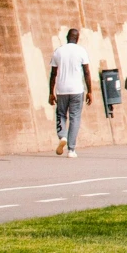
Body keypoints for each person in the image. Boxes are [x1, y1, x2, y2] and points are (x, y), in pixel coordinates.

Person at [46, 27, 91, 157]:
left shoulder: (58, 51)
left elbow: (53, 74)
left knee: (61, 114)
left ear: (67, 38)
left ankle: (62, 136)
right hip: (77, 89)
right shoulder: (81, 51)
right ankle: (71, 150)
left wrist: (51, 93)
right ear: (77, 39)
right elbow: (87, 72)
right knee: (75, 117)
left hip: (62, 89)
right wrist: (90, 91)